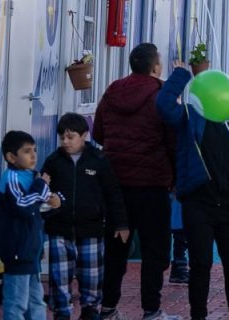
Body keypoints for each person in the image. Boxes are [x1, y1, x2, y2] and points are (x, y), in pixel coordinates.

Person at [158, 60, 229, 320]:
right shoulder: (190, 119)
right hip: (199, 206)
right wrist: (182, 75)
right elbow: (163, 105)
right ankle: (199, 316)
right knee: (201, 265)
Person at [93, 43, 177, 320]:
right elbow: (173, 138)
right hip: (152, 185)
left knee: (115, 248)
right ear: (155, 66)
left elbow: (99, 132)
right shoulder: (162, 94)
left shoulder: (112, 90)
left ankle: (108, 308)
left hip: (115, 185)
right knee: (155, 251)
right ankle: (151, 310)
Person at [42, 114, 128, 320]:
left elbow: (112, 192)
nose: (65, 142)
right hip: (59, 229)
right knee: (59, 276)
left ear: (84, 136)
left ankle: (90, 309)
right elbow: (43, 193)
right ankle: (62, 312)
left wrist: (121, 223)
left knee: (91, 275)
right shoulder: (53, 161)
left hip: (91, 229)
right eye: (62, 137)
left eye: (71, 137)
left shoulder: (98, 160)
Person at [0, 130, 58, 320]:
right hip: (17, 251)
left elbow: (38, 207)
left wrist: (56, 201)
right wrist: (41, 187)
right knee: (16, 303)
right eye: (27, 151)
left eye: (34, 150)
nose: (33, 155)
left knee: (36, 302)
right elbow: (23, 206)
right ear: (11, 157)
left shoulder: (33, 177)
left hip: (31, 251)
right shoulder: (11, 180)